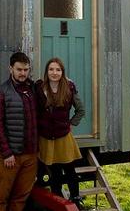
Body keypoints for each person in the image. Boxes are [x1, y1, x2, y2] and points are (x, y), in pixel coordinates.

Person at [35, 57, 86, 208]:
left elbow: (81, 110)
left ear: (62, 72)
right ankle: (57, 200)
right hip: (46, 137)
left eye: (58, 69)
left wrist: (70, 124)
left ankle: (76, 198)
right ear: (47, 71)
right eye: (51, 69)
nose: (54, 72)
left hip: (63, 136)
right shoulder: (39, 87)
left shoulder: (69, 87)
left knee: (70, 169)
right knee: (55, 171)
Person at [0, 51, 38, 211]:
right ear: (11, 68)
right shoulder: (2, 92)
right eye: (19, 69)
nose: (23, 73)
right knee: (1, 197)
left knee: (20, 198)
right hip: (10, 156)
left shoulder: (33, 89)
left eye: (26, 70)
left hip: (30, 155)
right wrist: (6, 153)